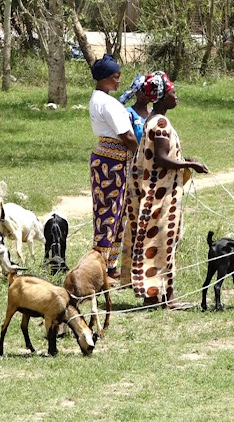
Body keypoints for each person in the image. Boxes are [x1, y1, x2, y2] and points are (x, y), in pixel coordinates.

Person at [121, 71, 209, 309]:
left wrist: (182, 158)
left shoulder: (152, 119)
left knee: (161, 240)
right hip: (159, 194)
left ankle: (162, 295)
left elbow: (165, 155)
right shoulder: (159, 122)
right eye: (172, 92)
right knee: (159, 241)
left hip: (155, 190)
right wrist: (191, 165)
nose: (176, 96)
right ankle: (158, 296)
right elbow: (160, 159)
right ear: (161, 96)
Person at [88, 54, 138, 279]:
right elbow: (126, 135)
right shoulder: (107, 103)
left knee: (116, 214)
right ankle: (100, 268)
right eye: (116, 77)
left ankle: (109, 265)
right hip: (112, 164)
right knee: (108, 214)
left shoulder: (99, 99)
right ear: (106, 78)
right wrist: (140, 151)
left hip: (109, 160)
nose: (119, 81)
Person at [118, 74, 150, 145]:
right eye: (143, 91)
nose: (147, 94)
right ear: (136, 92)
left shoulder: (154, 113)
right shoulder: (128, 114)